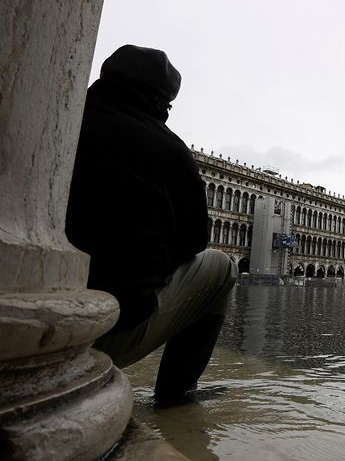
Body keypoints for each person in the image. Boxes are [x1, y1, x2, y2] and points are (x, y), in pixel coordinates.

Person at [66, 44, 236, 405]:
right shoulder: (168, 149)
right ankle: (177, 392)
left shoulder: (58, 121)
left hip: (36, 314)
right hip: (106, 330)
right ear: (161, 101)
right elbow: (193, 243)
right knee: (222, 266)